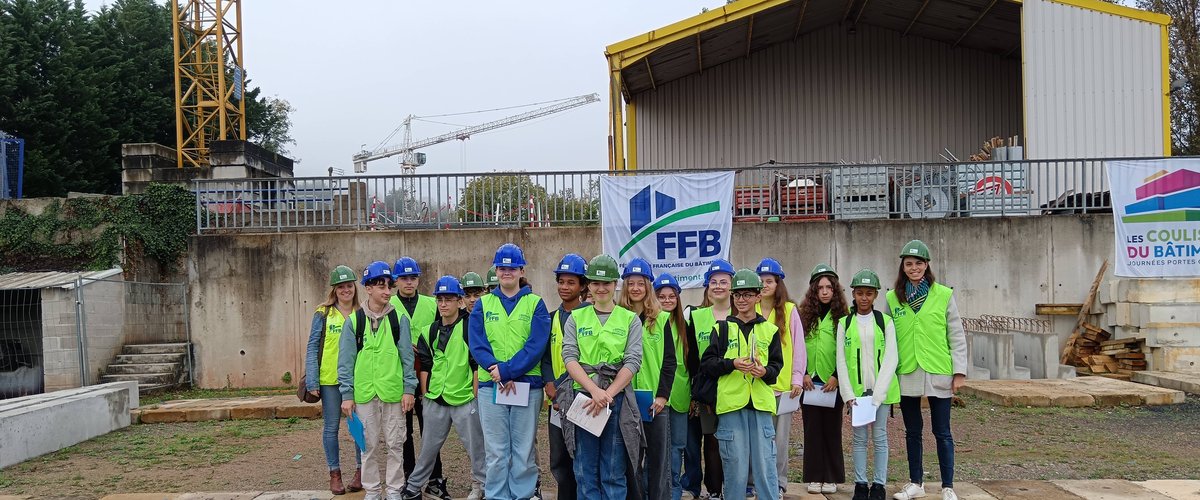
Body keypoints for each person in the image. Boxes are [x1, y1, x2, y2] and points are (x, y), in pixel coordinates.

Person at [468, 243, 551, 500]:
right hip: (491, 386)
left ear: (521, 270)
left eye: (512, 268)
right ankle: (496, 495)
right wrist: (498, 372)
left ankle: (523, 495)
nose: (507, 272)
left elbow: (536, 346)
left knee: (523, 449)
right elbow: (477, 343)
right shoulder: (483, 304)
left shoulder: (536, 304)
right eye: (502, 268)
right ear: (496, 270)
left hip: (526, 385)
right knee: (496, 450)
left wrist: (507, 371)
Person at [886, 240, 968, 500]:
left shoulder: (943, 294)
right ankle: (916, 483)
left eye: (918, 263)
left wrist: (959, 372)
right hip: (907, 370)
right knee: (912, 431)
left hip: (938, 370)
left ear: (926, 265)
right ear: (903, 267)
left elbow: (956, 334)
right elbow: (887, 338)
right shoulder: (892, 297)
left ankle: (948, 486)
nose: (914, 268)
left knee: (942, 431)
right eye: (909, 264)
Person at [558, 254, 644, 500]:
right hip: (583, 399)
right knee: (584, 469)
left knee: (613, 470)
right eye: (596, 283)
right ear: (589, 285)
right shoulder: (576, 317)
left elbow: (632, 361)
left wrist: (607, 394)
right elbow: (570, 357)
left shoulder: (629, 319)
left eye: (606, 283)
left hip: (615, 402)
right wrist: (594, 391)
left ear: (616, 284)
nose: (601, 288)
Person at [700, 269, 783, 500]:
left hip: (761, 406)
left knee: (765, 465)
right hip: (731, 405)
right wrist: (732, 364)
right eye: (738, 295)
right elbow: (707, 364)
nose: (742, 300)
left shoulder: (770, 330)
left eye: (748, 294)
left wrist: (764, 371)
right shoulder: (722, 328)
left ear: (758, 297)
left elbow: (776, 368)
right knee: (735, 467)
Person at [401, 276, 486, 500]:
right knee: (428, 449)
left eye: (449, 299)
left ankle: (483, 486)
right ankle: (414, 486)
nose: (444, 304)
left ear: (459, 301)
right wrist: (426, 394)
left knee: (476, 449)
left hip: (464, 398)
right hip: (435, 399)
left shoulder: (471, 326)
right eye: (440, 299)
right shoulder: (429, 330)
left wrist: (475, 398)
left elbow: (475, 365)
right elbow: (425, 366)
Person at [338, 261, 417, 500]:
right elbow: (345, 362)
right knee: (367, 446)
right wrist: (347, 395)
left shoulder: (398, 320)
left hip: (393, 393)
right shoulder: (354, 322)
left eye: (388, 286)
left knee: (395, 445)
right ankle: (372, 491)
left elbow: (407, 358)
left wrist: (409, 390)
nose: (387, 291)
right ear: (368, 288)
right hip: (364, 395)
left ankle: (393, 491)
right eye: (380, 286)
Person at [837, 269, 899, 500]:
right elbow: (841, 360)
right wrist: (848, 393)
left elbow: (892, 358)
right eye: (860, 293)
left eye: (869, 293)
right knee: (860, 439)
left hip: (880, 394)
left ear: (875, 296)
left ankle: (879, 485)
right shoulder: (845, 323)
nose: (864, 298)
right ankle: (861, 484)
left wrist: (878, 395)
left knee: (880, 437)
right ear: (853, 294)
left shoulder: (885, 322)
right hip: (857, 394)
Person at [389, 257, 449, 499]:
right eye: (404, 278)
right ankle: (409, 478)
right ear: (396, 281)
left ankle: (435, 479)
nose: (409, 282)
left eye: (413, 277)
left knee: (430, 430)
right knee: (404, 432)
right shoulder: (389, 303)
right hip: (399, 374)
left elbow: (441, 332)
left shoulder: (431, 303)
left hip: (427, 372)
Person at [619, 258, 675, 500]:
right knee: (630, 459)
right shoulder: (617, 318)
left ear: (648, 286)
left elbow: (670, 362)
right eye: (631, 283)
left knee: (658, 460)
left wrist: (663, 395)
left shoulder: (661, 319)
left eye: (640, 283)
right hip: (627, 399)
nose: (635, 288)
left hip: (655, 402)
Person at [305, 265, 364, 495]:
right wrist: (312, 380)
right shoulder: (323, 312)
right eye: (341, 286)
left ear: (354, 287)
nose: (346, 290)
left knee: (358, 426)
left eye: (349, 285)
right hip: (329, 379)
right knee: (331, 427)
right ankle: (335, 473)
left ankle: (361, 471)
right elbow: (312, 346)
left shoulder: (362, 311)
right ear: (334, 289)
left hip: (358, 379)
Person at [754, 258, 806, 500]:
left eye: (769, 281)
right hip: (755, 385)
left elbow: (798, 347)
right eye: (761, 281)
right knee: (759, 437)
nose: (765, 285)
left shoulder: (789, 310)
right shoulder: (748, 308)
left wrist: (797, 378)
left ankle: (779, 483)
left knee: (780, 440)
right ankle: (756, 482)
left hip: (783, 387)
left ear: (778, 284)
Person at [798, 263, 849, 494]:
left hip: (832, 383)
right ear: (813, 290)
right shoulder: (803, 316)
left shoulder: (843, 318)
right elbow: (798, 348)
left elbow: (847, 351)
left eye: (829, 287)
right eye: (820, 288)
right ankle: (814, 476)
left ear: (835, 290)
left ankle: (831, 477)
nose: (825, 291)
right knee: (812, 429)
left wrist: (837, 377)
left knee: (831, 429)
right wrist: (804, 373)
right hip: (810, 382)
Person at [541, 253, 588, 500]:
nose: (564, 287)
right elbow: (546, 357)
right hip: (558, 400)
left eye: (571, 282)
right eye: (561, 281)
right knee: (559, 457)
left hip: (584, 398)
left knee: (583, 455)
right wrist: (550, 384)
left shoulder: (591, 316)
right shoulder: (550, 318)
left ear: (582, 286)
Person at [690, 259, 735, 500]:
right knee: (712, 442)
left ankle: (736, 487)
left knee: (735, 441)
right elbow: (692, 359)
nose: (718, 286)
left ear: (732, 285)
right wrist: (697, 394)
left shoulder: (742, 314)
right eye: (713, 282)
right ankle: (715, 489)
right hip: (708, 391)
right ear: (707, 286)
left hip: (736, 388)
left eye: (723, 282)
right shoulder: (697, 317)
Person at [656, 273, 701, 500]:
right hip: (656, 394)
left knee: (677, 446)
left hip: (681, 394)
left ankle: (673, 489)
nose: (666, 301)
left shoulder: (685, 326)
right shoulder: (649, 323)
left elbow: (692, 363)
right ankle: (655, 489)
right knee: (656, 446)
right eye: (661, 297)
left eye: (671, 296)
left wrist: (694, 395)